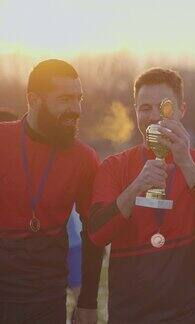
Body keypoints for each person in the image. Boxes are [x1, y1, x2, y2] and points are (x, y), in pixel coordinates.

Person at [88, 67, 195, 323]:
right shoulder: (114, 167)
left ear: (182, 110)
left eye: (164, 107)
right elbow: (98, 234)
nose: (154, 116)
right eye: (144, 108)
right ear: (135, 111)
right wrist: (135, 187)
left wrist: (186, 164)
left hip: (192, 311)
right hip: (130, 312)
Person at [0, 59, 103, 323]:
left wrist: (88, 302)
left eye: (79, 98)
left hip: (47, 300)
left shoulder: (85, 158)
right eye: (65, 99)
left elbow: (93, 233)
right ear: (34, 100)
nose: (76, 109)